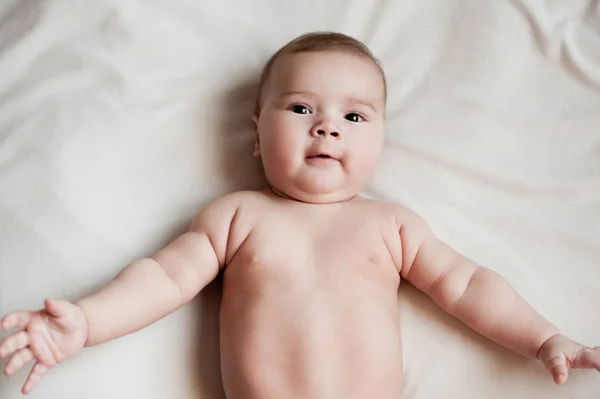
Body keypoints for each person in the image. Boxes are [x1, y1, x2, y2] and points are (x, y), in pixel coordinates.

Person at [1, 32, 598, 398]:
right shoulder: (237, 215)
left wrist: (542, 336)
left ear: (381, 141)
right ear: (257, 135)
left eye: (355, 117)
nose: (327, 125)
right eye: (301, 106)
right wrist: (85, 320)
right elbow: (161, 279)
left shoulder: (391, 224)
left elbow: (467, 285)